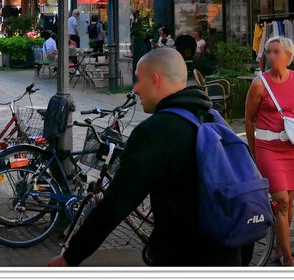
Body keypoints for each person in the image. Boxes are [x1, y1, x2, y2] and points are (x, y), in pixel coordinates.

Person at [48, 48, 246, 267]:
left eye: (139, 80)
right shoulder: (212, 117)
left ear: (155, 79)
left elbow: (115, 205)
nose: (135, 89)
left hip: (182, 258)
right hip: (227, 253)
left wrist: (70, 257)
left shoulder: (154, 132)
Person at [245, 36, 294, 267]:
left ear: (289, 56)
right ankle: (288, 259)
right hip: (268, 147)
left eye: (277, 51)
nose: (272, 56)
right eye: (269, 51)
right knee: (281, 201)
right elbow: (248, 119)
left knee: (290, 200)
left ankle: (279, 248)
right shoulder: (259, 84)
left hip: (292, 147)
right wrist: (253, 153)